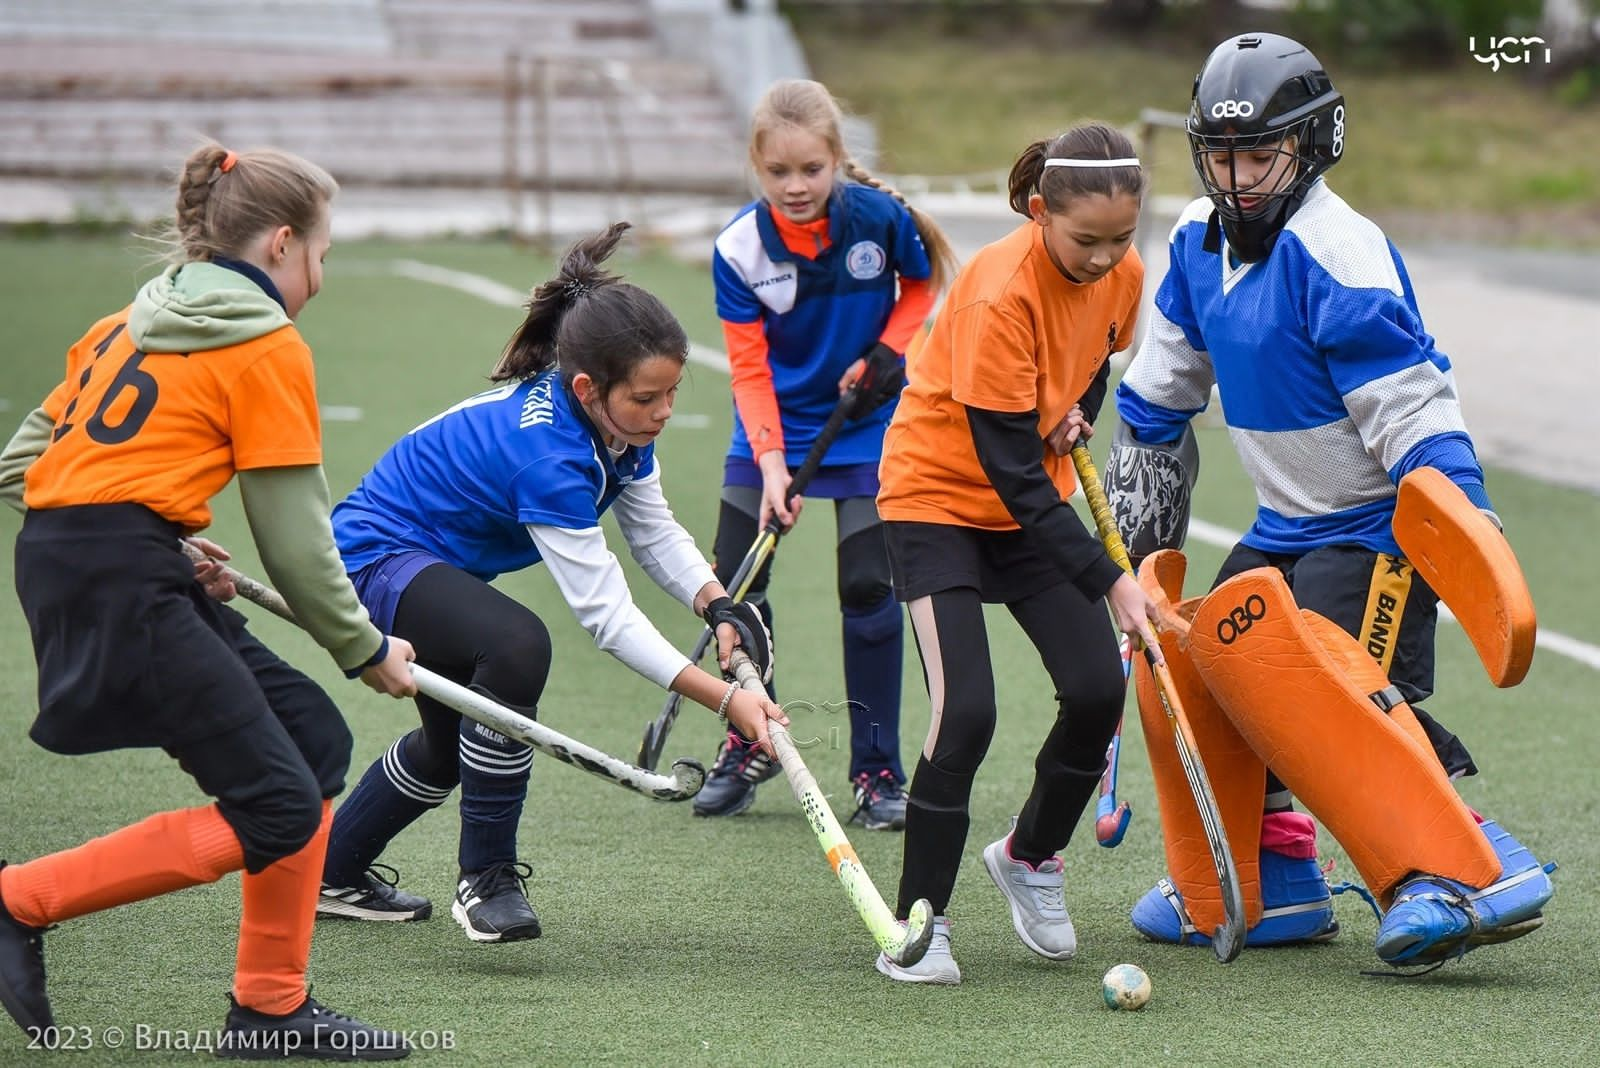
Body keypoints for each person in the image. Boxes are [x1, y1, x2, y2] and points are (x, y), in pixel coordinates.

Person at [1112, 32, 1554, 965]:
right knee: (1194, 662)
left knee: (1315, 689)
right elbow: (1156, 398)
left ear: (1312, 147)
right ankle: (1275, 878)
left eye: (1259, 157)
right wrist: (1137, 565)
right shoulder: (1195, 240)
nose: (1237, 180)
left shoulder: (1338, 254)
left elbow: (1413, 409)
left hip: (1375, 531)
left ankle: (1471, 865)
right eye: (1221, 157)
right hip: (1284, 527)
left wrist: (1463, 518)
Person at [0, 143, 419, 1058]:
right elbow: (296, 543)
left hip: (102, 558)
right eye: (322, 255)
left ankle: (271, 1010)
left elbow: (21, 463)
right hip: (119, 576)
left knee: (312, 747)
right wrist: (365, 647)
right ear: (279, 245)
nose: (322, 275)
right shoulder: (267, 343)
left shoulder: (125, 322)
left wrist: (149, 522)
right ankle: (16, 901)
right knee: (275, 806)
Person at [315, 222, 785, 943]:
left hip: (438, 563)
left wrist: (718, 603)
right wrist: (725, 698)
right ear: (590, 388)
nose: (664, 412)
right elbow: (607, 617)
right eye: (647, 398)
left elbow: (654, 530)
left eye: (671, 394)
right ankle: (486, 880)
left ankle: (333, 872)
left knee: (447, 752)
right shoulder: (550, 455)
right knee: (516, 644)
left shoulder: (613, 427)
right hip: (378, 552)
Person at [872, 122, 1164, 984]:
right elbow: (1010, 474)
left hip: (1023, 508)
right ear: (1040, 212)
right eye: (1087, 240)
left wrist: (1072, 403)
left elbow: (1094, 360)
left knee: (1095, 689)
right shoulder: (997, 294)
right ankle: (918, 925)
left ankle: (1030, 856)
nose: (1108, 258)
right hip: (935, 502)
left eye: (1123, 238)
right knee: (965, 712)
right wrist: (1113, 581)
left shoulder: (1124, 276)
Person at [698, 78, 957, 828]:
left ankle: (877, 769)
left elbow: (921, 287)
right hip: (770, 428)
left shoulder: (878, 220)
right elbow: (747, 369)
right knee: (736, 589)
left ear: (837, 158)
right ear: (757, 166)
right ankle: (750, 741)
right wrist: (773, 464)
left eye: (812, 169)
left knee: (868, 586)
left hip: (867, 426)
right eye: (779, 173)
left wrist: (887, 351)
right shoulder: (740, 250)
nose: (797, 186)